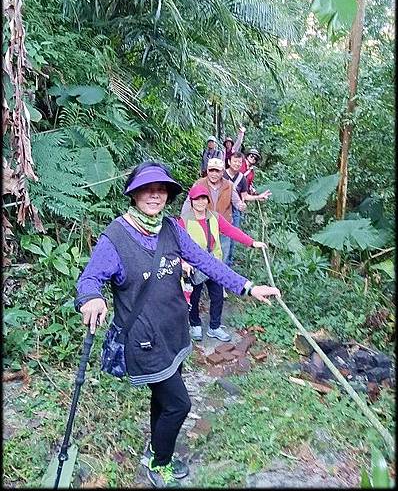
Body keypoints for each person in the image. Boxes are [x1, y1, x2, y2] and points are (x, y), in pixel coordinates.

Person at [75, 161, 281, 488]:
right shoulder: (116, 236)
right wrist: (91, 298)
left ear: (168, 195)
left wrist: (247, 286)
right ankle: (160, 465)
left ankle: (156, 449)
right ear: (134, 194)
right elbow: (91, 278)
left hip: (174, 332)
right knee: (179, 404)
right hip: (145, 339)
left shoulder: (172, 229)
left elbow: (206, 262)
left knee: (163, 398)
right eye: (147, 189)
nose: (154, 195)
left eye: (160, 189)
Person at [178, 184, 267, 342]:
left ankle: (214, 326)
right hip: (194, 267)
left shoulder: (215, 217)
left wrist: (252, 242)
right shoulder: (183, 221)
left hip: (214, 265)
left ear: (208, 201)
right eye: (197, 199)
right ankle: (195, 325)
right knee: (194, 297)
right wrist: (184, 262)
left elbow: (231, 231)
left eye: (204, 198)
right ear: (191, 201)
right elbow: (177, 245)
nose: (200, 202)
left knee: (217, 296)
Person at [180, 157, 245, 264]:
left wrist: (240, 205)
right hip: (204, 226)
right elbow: (189, 202)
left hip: (224, 227)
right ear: (207, 171)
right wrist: (183, 222)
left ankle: (221, 279)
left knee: (222, 259)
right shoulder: (199, 183)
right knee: (202, 258)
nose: (214, 174)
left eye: (217, 171)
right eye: (211, 170)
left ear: (222, 172)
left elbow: (236, 201)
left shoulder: (229, 185)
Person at [224, 151, 271, 266]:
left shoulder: (243, 178)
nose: (237, 164)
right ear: (229, 162)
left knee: (232, 237)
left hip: (235, 210)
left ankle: (227, 265)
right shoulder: (221, 175)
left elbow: (245, 196)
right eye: (234, 161)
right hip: (221, 208)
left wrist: (258, 197)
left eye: (239, 162)